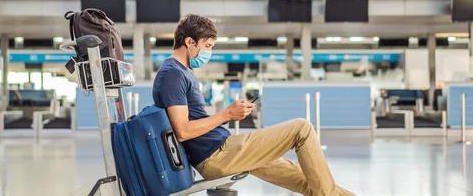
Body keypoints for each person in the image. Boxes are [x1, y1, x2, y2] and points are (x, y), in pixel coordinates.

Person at [152, 14, 355, 196]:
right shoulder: (173, 74)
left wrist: (230, 114)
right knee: (302, 128)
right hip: (217, 155)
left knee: (307, 180)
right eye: (207, 46)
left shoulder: (184, 71)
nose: (209, 52)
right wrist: (226, 115)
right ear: (189, 42)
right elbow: (183, 131)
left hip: (225, 149)